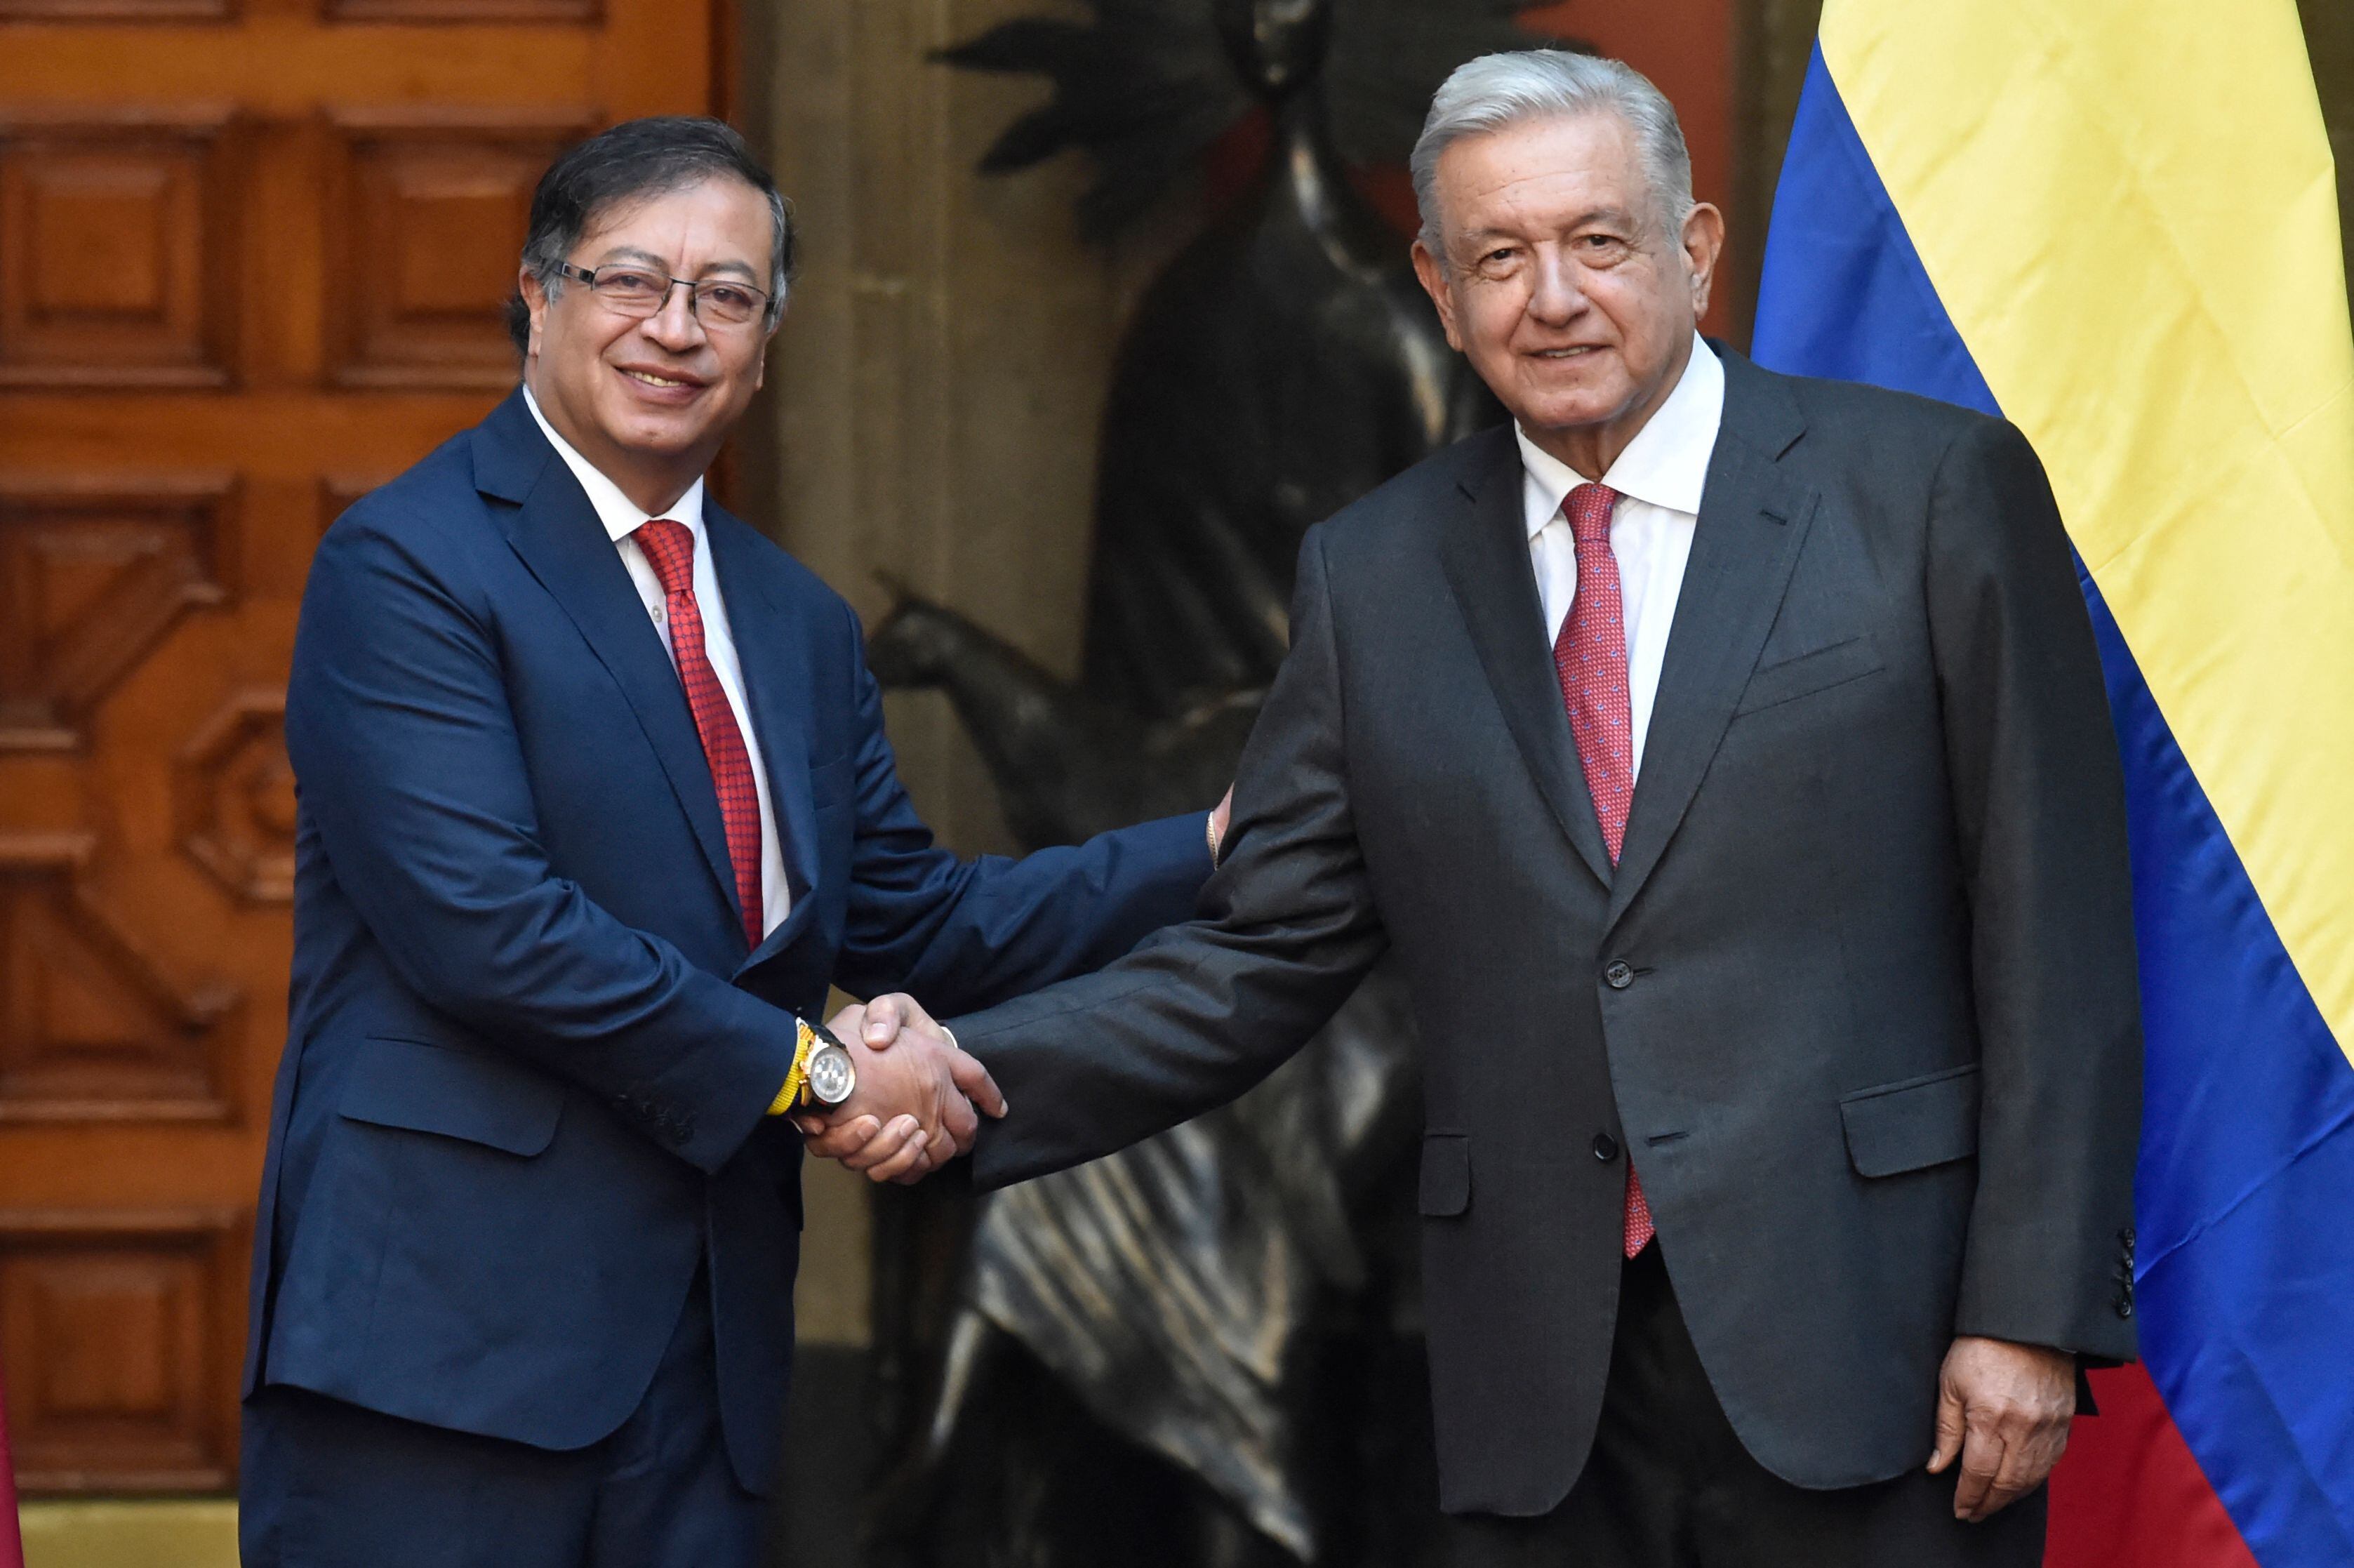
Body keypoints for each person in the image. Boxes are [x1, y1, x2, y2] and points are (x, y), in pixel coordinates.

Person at [811, 51, 2142, 1568]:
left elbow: (2058, 932)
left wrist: (2028, 1314)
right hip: (1539, 1371)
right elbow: (1262, 953)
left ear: (1694, 252)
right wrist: (969, 1067)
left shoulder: (1926, 495)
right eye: (1499, 256)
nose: (1551, 296)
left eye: (1596, 240)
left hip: (1878, 1344)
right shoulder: (1372, 575)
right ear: (1440, 295)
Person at [239, 116, 1225, 1567]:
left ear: (769, 341)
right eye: (632, 279)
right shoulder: (410, 564)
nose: (676, 327)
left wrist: (1218, 843)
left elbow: (923, 923)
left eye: (728, 296)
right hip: (442, 1351)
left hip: (705, 1363)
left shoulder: (795, 623)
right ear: (538, 293)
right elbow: (489, 926)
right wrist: (821, 1072)